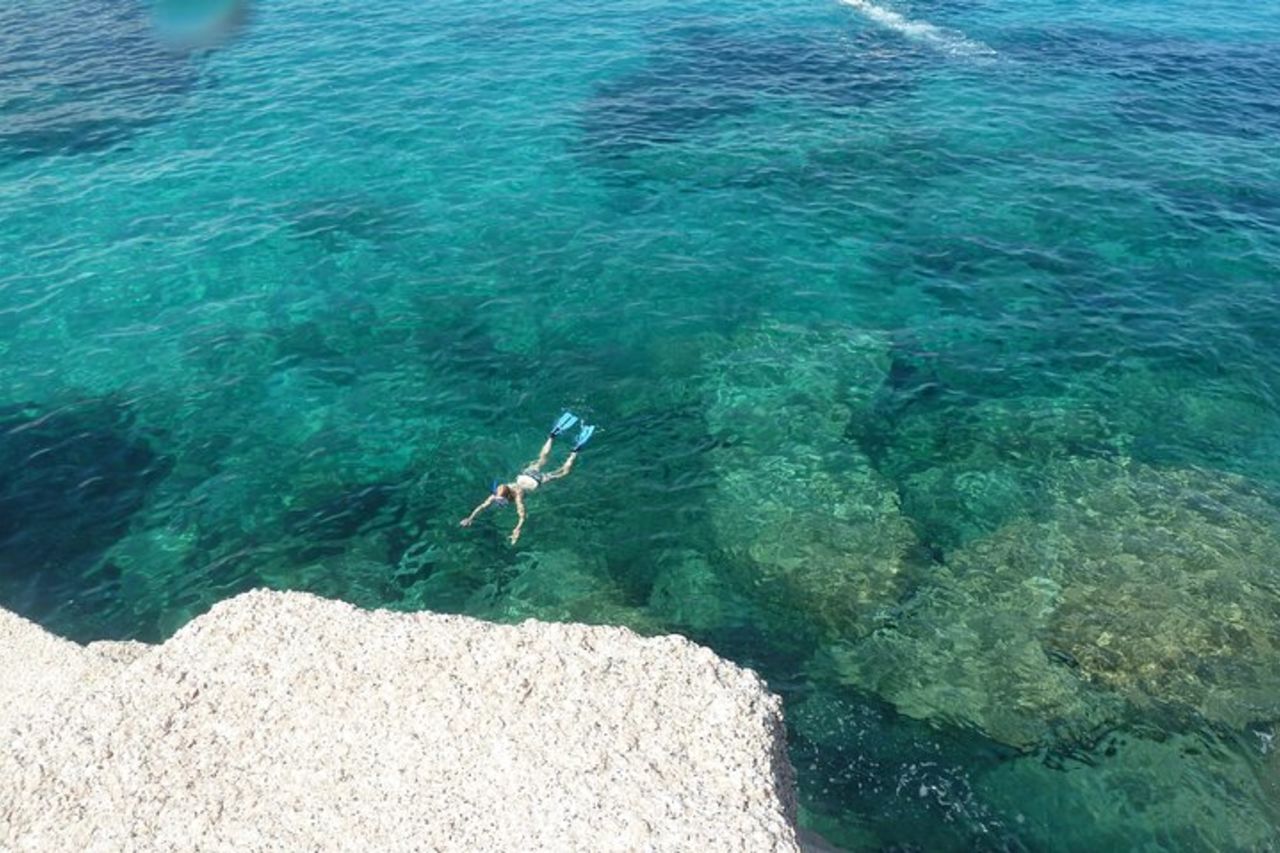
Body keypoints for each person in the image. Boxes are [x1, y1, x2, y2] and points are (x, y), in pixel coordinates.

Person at [459, 412, 595, 545]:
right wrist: (470, 518)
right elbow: (481, 507)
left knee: (563, 472)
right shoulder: (500, 493)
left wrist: (517, 529)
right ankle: (552, 436)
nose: (499, 502)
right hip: (526, 474)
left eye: (501, 501)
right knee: (542, 459)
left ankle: (574, 451)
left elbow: (522, 515)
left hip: (537, 480)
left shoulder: (517, 495)